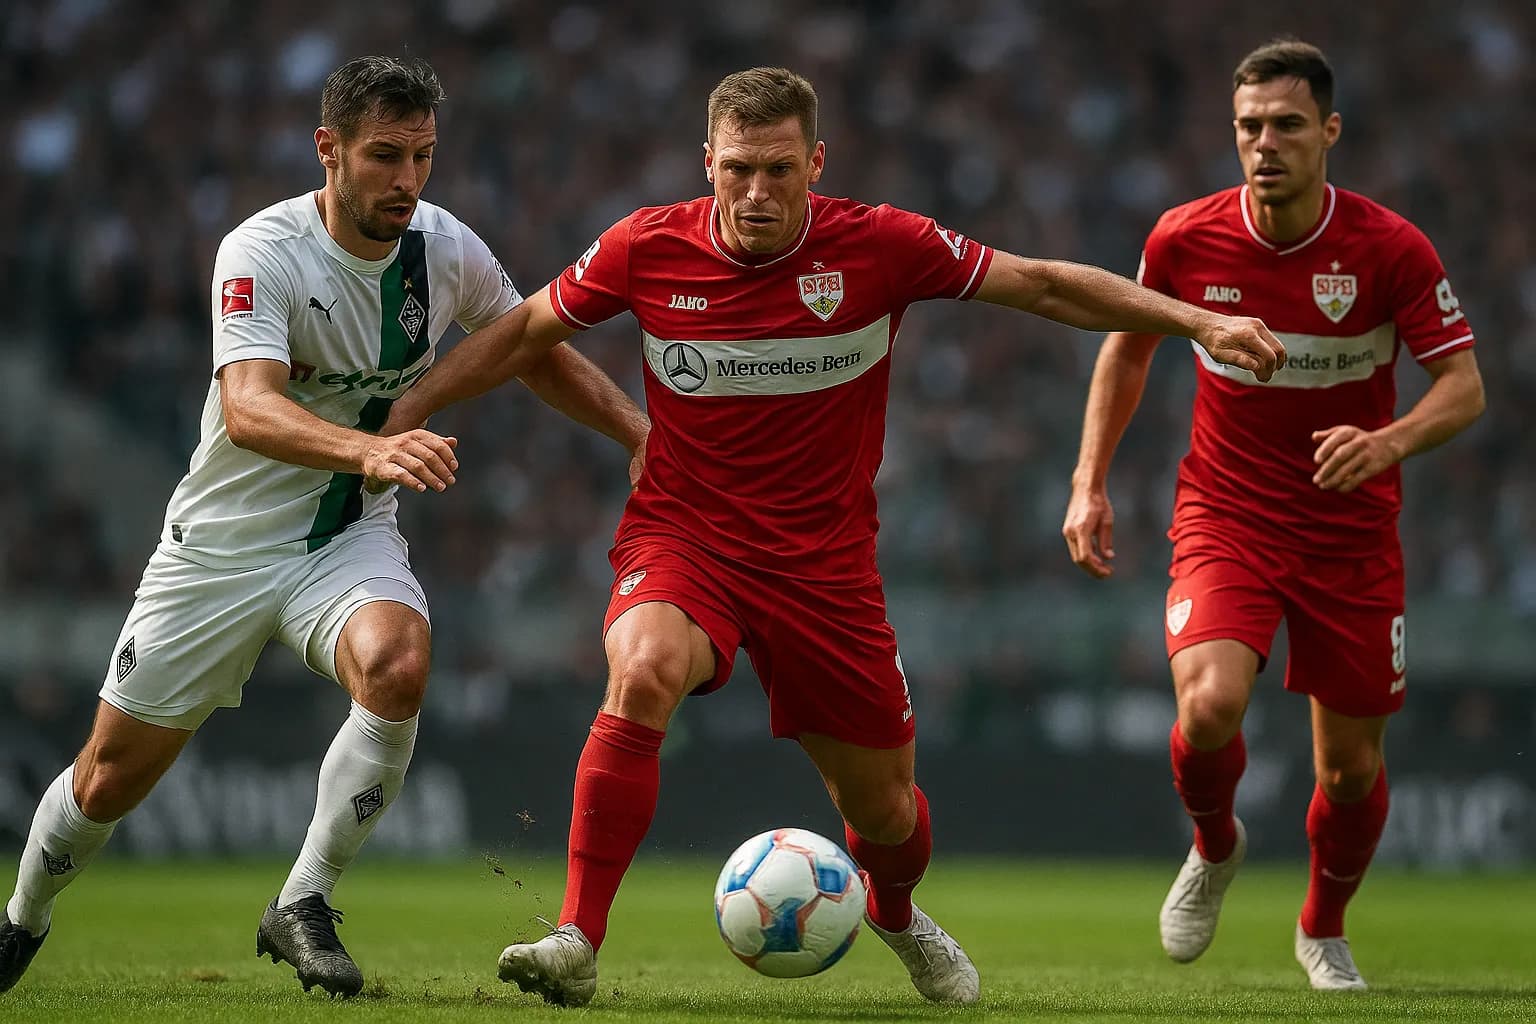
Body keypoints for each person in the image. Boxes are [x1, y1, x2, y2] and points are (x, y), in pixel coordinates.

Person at [382, 66, 1284, 1008]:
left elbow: (1045, 286)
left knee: (886, 814)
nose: (756, 193)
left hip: (825, 572)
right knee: (643, 669)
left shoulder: (881, 245)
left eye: (778, 170)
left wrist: (1199, 321)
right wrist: (412, 406)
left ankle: (893, 911)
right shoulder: (646, 246)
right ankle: (577, 937)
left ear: (816, 163)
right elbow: (526, 330)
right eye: (737, 170)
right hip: (687, 539)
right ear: (707, 163)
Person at [0, 56, 648, 999]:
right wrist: (370, 450)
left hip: (345, 538)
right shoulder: (262, 251)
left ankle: (302, 900)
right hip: (219, 550)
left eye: (423, 156)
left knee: (399, 662)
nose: (407, 179)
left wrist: (636, 431)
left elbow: (529, 346)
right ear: (328, 150)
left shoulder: (445, 248)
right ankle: (22, 917)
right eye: (384, 155)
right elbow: (250, 408)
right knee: (106, 779)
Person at [1061, 40, 1484, 990]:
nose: (1265, 143)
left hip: (1350, 533)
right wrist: (1089, 479)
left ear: (1329, 132)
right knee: (1208, 706)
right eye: (1249, 126)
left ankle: (1322, 928)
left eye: (1287, 125)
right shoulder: (1185, 238)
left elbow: (1464, 386)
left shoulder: (1390, 248)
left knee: (1349, 772)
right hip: (1228, 514)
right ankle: (1215, 844)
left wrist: (1390, 441)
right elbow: (1127, 349)